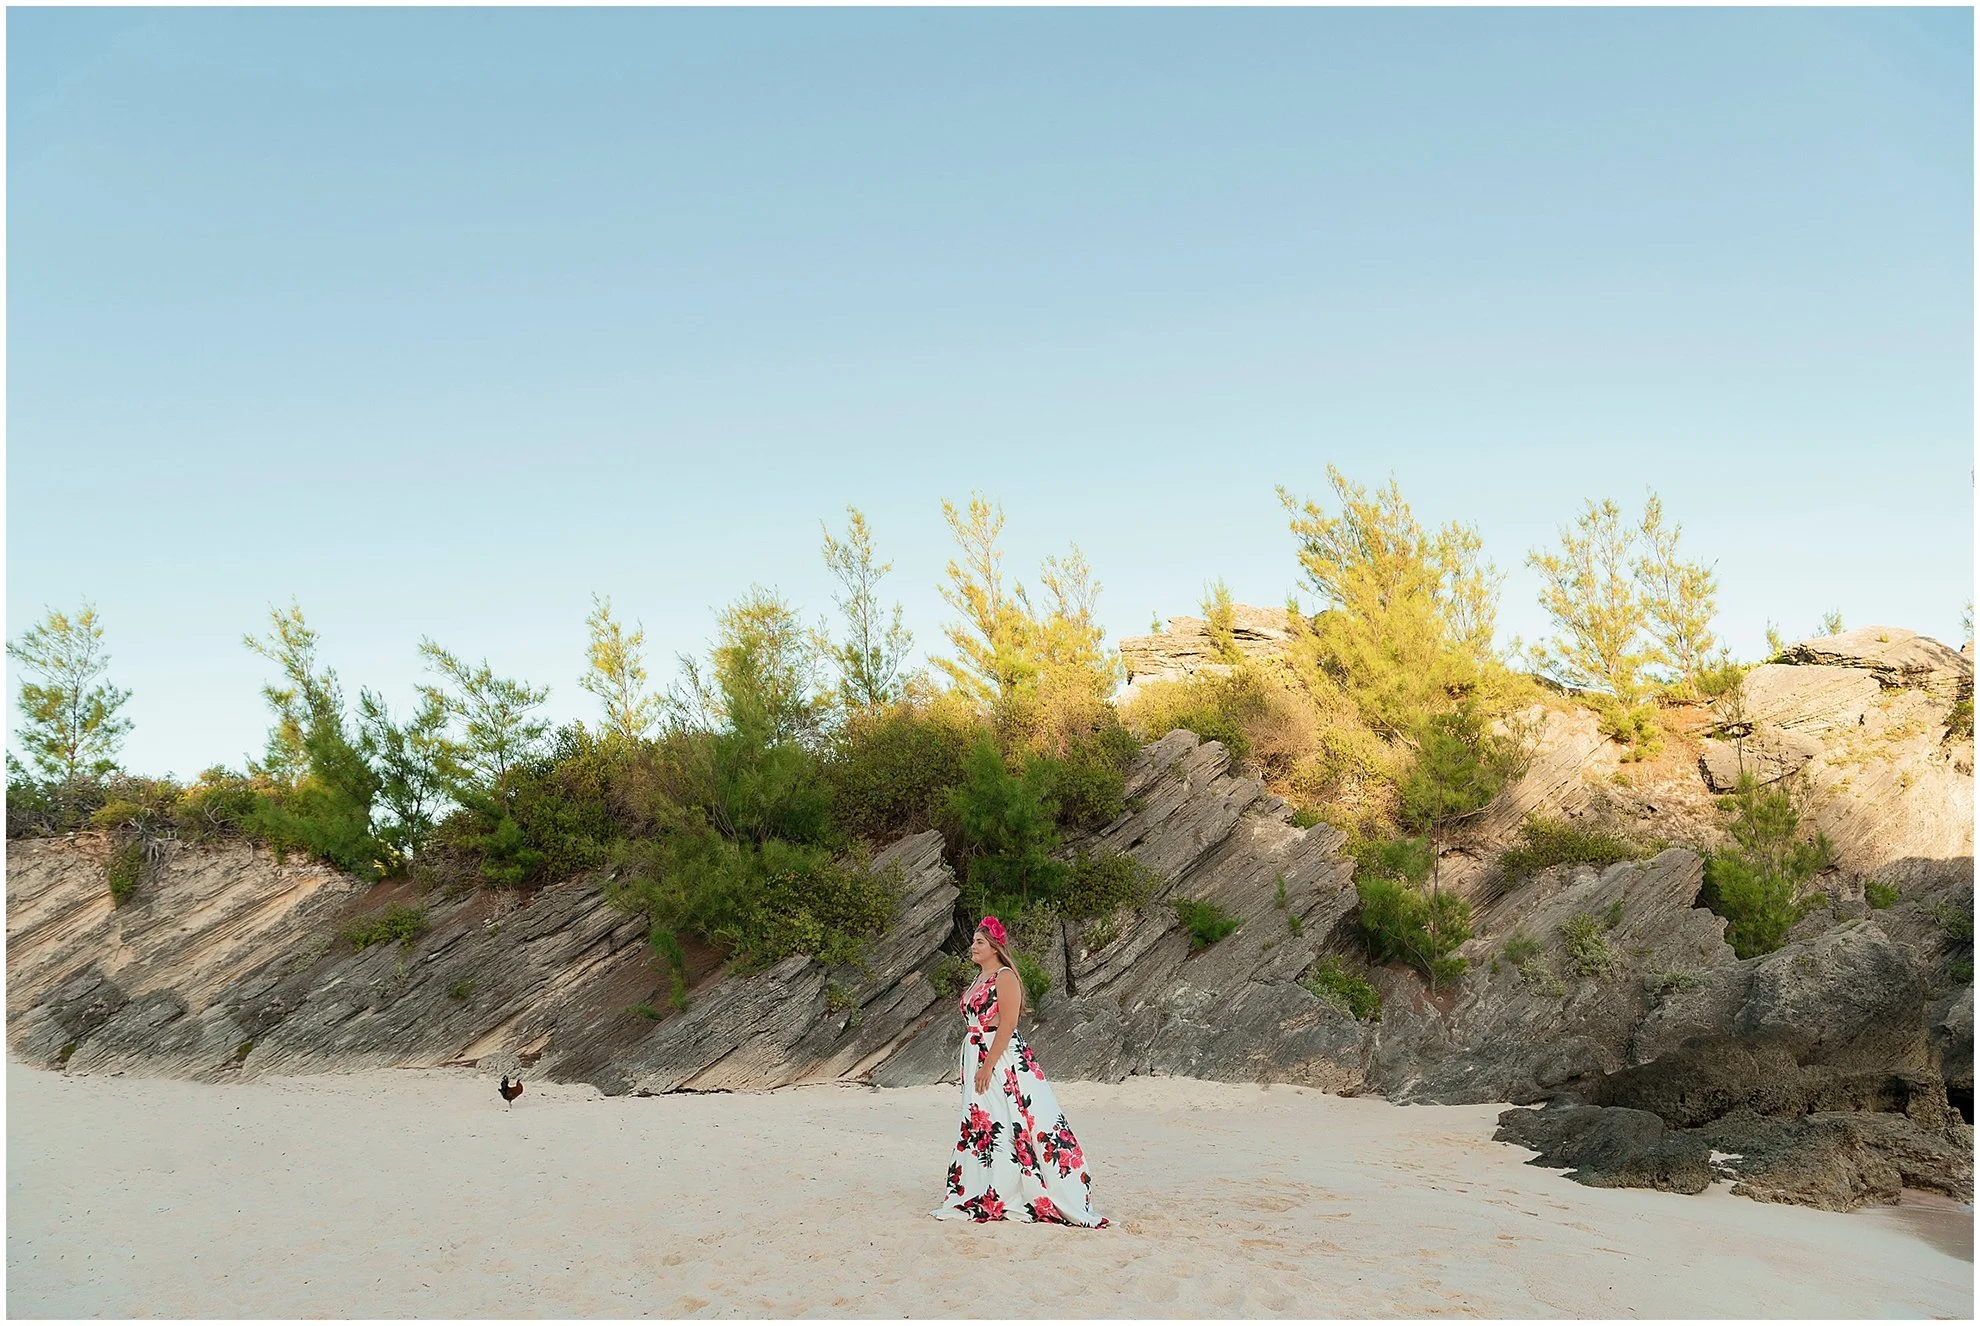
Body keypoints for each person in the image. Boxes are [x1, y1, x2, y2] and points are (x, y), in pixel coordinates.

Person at [930, 916, 1109, 1227]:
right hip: (975, 1053)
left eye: (979, 942)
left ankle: (1013, 1189)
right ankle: (985, 1187)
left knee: (1006, 1117)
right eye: (973, 941)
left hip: (998, 1057)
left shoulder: (1005, 977)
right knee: (981, 1122)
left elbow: (1009, 1024)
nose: (972, 946)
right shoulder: (978, 979)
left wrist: (987, 1065)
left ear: (995, 947)